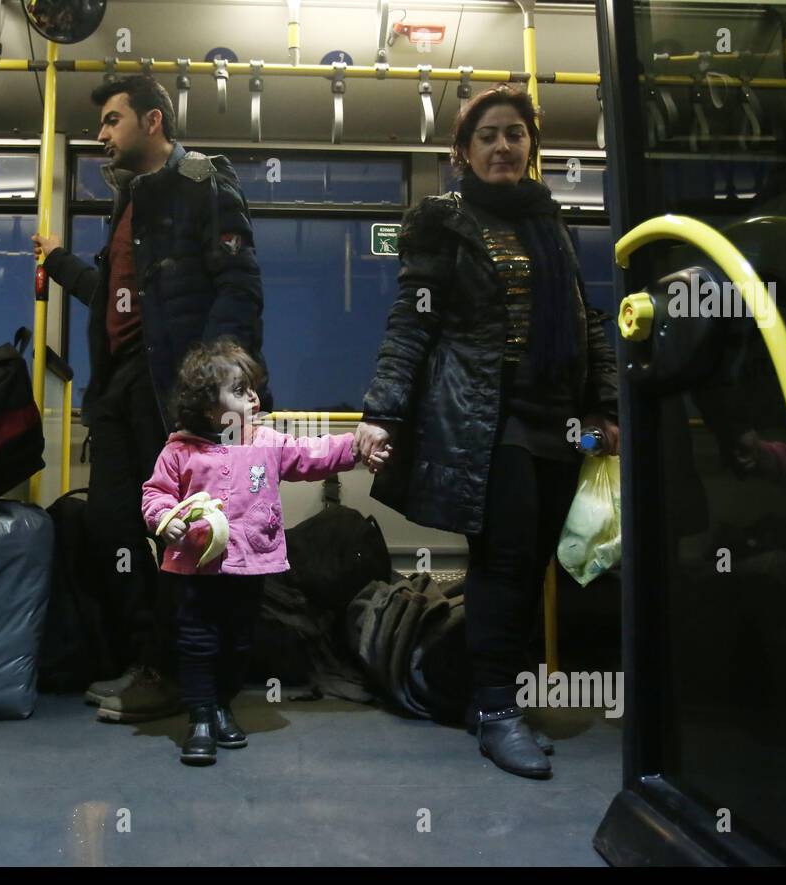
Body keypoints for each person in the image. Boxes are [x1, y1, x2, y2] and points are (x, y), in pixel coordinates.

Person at [354, 84, 619, 780]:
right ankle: (500, 712)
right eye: (488, 136)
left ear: (531, 145)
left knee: (532, 561)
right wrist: (381, 409)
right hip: (482, 416)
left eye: (515, 134)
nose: (503, 146)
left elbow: (585, 317)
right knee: (504, 556)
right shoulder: (441, 221)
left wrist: (606, 407)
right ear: (463, 152)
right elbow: (413, 320)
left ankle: (477, 692)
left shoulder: (548, 220)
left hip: (556, 416)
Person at [32, 75, 265, 722]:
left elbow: (238, 283)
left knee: (178, 532)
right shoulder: (128, 204)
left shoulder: (201, 184)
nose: (101, 134)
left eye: (112, 120)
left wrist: (214, 385)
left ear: (153, 120)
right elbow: (115, 298)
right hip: (117, 385)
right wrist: (58, 262)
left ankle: (171, 672)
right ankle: (146, 658)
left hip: (171, 385)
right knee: (110, 521)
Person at [141, 338, 373, 764]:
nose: (253, 396)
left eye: (252, 388)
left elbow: (310, 454)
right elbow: (156, 494)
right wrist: (164, 519)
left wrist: (354, 446)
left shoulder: (265, 441)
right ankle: (201, 717)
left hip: (249, 567)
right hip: (195, 570)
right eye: (239, 390)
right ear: (210, 408)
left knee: (238, 642)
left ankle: (222, 705)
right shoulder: (179, 450)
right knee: (197, 643)